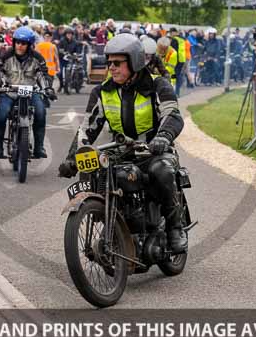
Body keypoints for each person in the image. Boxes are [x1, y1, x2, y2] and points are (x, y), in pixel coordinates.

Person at [58, 34, 188, 253]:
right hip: (122, 152)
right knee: (99, 174)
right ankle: (120, 224)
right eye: (109, 63)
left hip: (154, 151)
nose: (111, 68)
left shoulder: (157, 85)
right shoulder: (102, 91)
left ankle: (175, 227)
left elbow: (173, 115)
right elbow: (87, 128)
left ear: (134, 61)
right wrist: (72, 158)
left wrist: (163, 137)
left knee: (161, 170)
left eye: (117, 63)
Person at [0, 26, 54, 159]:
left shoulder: (37, 57)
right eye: (17, 42)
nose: (20, 46)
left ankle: (39, 148)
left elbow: (43, 74)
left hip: (31, 91)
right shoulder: (6, 55)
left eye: (23, 43)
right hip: (9, 91)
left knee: (41, 113)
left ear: (29, 45)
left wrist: (47, 88)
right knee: (1, 115)